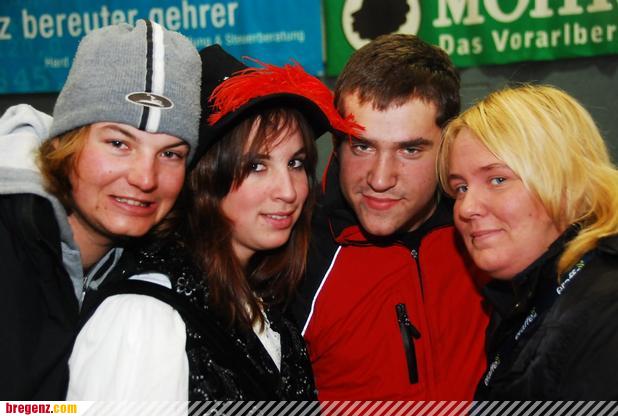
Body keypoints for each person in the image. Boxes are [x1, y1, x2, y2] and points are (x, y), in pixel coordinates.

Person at [66, 44, 360, 400]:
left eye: (295, 163)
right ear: (204, 180)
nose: (288, 191)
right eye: (256, 166)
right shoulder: (144, 317)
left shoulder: (263, 305)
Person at [0, 20, 201, 400]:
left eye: (170, 154)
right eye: (118, 144)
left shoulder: (148, 265)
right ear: (65, 143)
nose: (145, 178)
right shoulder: (11, 247)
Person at [291, 33, 489, 400]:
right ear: (337, 144)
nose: (380, 180)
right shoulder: (293, 257)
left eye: (410, 150)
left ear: (448, 146)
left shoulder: (487, 234)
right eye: (362, 146)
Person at [437, 83, 618, 400]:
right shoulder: (525, 298)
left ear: (567, 181)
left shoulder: (606, 310)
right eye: (461, 188)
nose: (466, 208)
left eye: (497, 180)